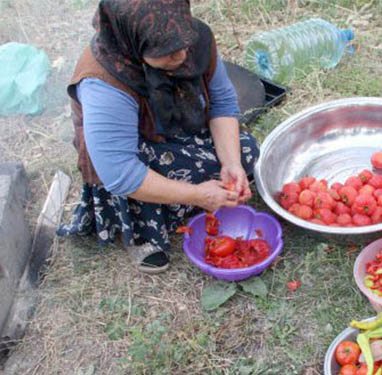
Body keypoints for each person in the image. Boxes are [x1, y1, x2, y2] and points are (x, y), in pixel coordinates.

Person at [57, 0, 259, 273]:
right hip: (134, 154)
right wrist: (197, 195)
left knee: (247, 153)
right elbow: (120, 173)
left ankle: (192, 197)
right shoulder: (104, 81)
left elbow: (222, 103)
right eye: (168, 53)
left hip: (178, 128)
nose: (183, 57)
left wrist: (231, 163)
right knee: (157, 180)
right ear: (134, 41)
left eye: (184, 46)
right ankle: (142, 231)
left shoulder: (193, 39)